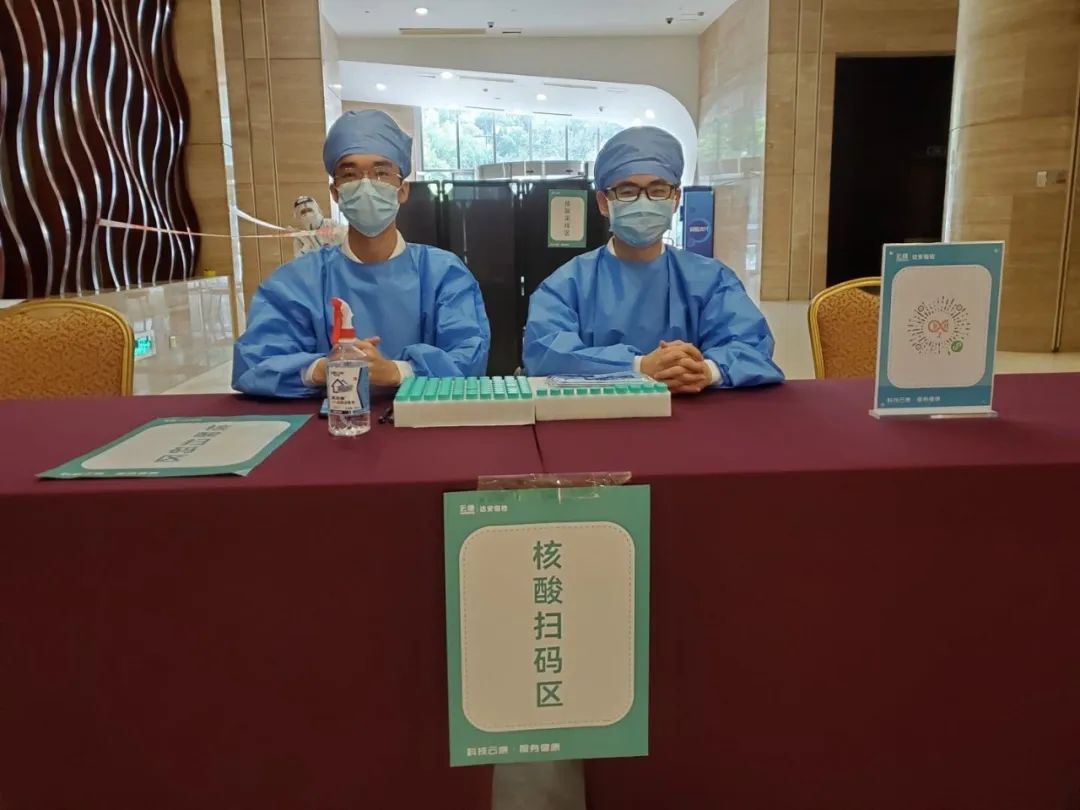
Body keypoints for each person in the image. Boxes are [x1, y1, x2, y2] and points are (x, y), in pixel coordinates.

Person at [233, 110, 491, 398]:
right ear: (336, 192)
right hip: (332, 422)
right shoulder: (298, 282)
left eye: (381, 173)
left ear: (402, 190)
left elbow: (468, 358)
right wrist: (323, 369)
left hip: (423, 422)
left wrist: (395, 371)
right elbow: (254, 363)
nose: (366, 185)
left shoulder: (443, 274)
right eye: (350, 174)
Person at [523, 126, 783, 393]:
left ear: (675, 198)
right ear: (603, 202)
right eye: (627, 191)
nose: (643, 202)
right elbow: (545, 353)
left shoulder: (711, 280)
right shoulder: (566, 285)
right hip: (599, 414)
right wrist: (639, 366)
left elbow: (752, 344)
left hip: (694, 413)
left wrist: (706, 370)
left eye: (657, 190)